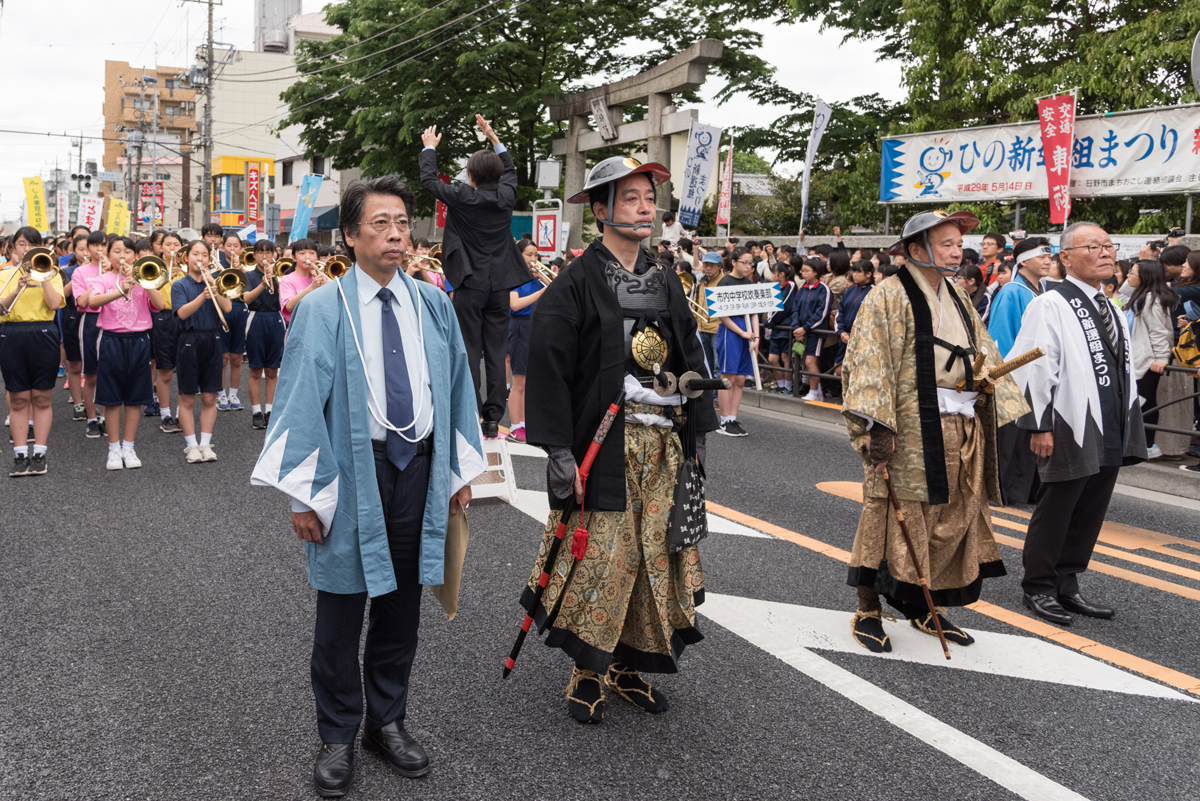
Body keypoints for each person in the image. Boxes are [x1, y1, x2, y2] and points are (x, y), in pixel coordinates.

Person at [250, 176, 484, 797]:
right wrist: (305, 493)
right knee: (340, 608)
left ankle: (387, 720)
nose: (395, 234)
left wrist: (460, 474)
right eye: (379, 223)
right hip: (354, 470)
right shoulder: (323, 308)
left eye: (402, 223)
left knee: (402, 604)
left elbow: (458, 388)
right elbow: (299, 400)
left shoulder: (432, 301)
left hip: (420, 466)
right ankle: (337, 734)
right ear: (350, 236)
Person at [523, 155, 715, 724]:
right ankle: (587, 669)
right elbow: (550, 366)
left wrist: (699, 433)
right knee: (605, 557)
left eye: (649, 198)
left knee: (657, 554)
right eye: (630, 198)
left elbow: (690, 354)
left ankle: (629, 665)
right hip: (605, 445)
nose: (644, 207)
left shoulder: (664, 280)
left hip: (663, 446)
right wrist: (558, 451)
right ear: (601, 211)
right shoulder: (577, 282)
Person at [841, 210, 1027, 652]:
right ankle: (869, 607)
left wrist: (989, 387)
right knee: (890, 513)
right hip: (907, 427)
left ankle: (924, 604)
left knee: (950, 514)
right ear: (915, 249)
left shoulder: (960, 297)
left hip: (959, 426)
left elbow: (985, 349)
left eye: (957, 242)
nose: (956, 250)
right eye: (945, 243)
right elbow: (869, 363)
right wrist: (877, 427)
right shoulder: (887, 296)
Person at [1011, 222, 1147, 626]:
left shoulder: (1112, 307)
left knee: (1091, 506)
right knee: (1058, 503)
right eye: (1094, 246)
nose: (1106, 252)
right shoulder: (1050, 303)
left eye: (1109, 246)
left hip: (1109, 421)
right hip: (1070, 419)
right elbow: (1034, 363)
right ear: (1065, 257)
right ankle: (1038, 585)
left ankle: (1067, 582)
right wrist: (1039, 424)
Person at [419, 114, 530, 438]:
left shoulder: (463, 196)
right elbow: (509, 169)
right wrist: (493, 135)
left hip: (469, 281)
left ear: (470, 176)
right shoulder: (507, 196)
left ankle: (468, 410)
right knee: (496, 350)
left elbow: (428, 181)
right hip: (500, 284)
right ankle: (493, 418)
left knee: (468, 347)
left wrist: (429, 148)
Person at [87, 235, 165, 470]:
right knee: (111, 399)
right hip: (111, 340)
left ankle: (129, 447)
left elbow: (159, 305)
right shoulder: (103, 278)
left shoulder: (146, 277)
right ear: (109, 255)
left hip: (139, 339)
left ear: (136, 255)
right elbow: (93, 302)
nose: (122, 256)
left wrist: (144, 282)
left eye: (127, 252)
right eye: (117, 251)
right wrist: (121, 289)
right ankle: (113, 449)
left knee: (134, 398)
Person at [987, 237, 1053, 504]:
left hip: (1037, 375)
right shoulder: (1011, 291)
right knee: (1011, 440)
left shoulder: (1043, 289)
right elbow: (1000, 339)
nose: (1048, 261)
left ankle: (1025, 491)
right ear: (1023, 261)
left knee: (1030, 439)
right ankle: (1006, 492)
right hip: (1015, 376)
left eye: (1050, 257)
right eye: (1042, 256)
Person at [0, 227, 65, 476]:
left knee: (41, 397)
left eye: (31, 244)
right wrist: (17, 288)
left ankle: (39, 452)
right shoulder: (5, 274)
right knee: (17, 398)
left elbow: (53, 304)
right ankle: (19, 454)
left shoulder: (53, 273)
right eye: (21, 244)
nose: (25, 249)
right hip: (11, 333)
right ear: (13, 247)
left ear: (39, 248)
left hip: (44, 333)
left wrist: (44, 276)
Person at [172, 240, 232, 463]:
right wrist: (202, 296)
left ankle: (206, 444)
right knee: (187, 398)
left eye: (204, 255)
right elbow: (182, 314)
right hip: (189, 339)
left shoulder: (214, 282)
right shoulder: (180, 285)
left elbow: (227, 309)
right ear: (186, 258)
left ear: (210, 259)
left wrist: (214, 287)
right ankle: (191, 445)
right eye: (195, 254)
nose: (200, 259)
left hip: (213, 338)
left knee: (209, 397)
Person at [1126, 259, 1178, 461]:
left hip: (1148, 361)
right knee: (1140, 402)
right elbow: (1125, 287)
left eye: (1133, 272)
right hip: (1140, 359)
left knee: (1145, 402)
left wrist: (1161, 358)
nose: (1129, 275)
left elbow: (1159, 332)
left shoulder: (1150, 299)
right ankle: (1141, 443)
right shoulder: (1141, 295)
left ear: (1145, 277)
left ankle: (1148, 445)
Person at [715, 247, 760, 436]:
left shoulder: (749, 283)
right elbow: (722, 315)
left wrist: (756, 336)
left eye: (751, 263)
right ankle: (724, 420)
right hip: (731, 330)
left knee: (741, 379)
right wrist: (741, 332)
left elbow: (756, 311)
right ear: (734, 262)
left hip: (747, 330)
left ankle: (733, 417)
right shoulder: (724, 282)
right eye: (745, 262)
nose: (749, 266)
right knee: (728, 377)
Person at [242, 240, 285, 430]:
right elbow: (246, 299)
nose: (265, 256)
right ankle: (256, 411)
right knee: (255, 369)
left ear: (274, 255)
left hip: (276, 319)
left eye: (269, 252)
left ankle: (270, 410)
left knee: (272, 370)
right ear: (255, 255)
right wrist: (263, 283)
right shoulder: (249, 276)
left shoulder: (281, 274)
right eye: (261, 252)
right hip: (256, 319)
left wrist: (275, 277)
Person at [506, 241, 547, 443]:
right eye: (529, 254)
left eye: (536, 255)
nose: (533, 259)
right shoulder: (515, 276)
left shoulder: (538, 278)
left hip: (536, 327)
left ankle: (524, 423)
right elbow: (514, 304)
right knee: (519, 381)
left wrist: (545, 283)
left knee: (529, 381)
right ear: (519, 255)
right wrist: (539, 292)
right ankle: (515, 426)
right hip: (520, 326)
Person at [72, 231, 109, 438]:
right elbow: (81, 302)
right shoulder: (81, 272)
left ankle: (105, 417)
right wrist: (99, 279)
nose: (99, 249)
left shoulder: (116, 269)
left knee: (108, 373)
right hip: (90, 321)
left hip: (111, 320)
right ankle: (91, 419)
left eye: (103, 245)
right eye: (94, 245)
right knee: (91, 375)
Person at [153, 232, 185, 434]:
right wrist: (166, 278)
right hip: (163, 317)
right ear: (161, 248)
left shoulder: (188, 268)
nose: (172, 248)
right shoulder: (154, 268)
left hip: (184, 317)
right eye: (168, 244)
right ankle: (165, 414)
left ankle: (182, 413)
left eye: (176, 244)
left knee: (184, 370)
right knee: (165, 369)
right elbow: (149, 291)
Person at [214, 232, 248, 412]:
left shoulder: (245, 266)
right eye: (229, 245)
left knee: (237, 357)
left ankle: (233, 394)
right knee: (223, 357)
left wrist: (241, 270)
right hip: (222, 311)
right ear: (223, 247)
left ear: (241, 248)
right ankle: (220, 395)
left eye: (236, 246)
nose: (232, 249)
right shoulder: (216, 265)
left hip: (240, 310)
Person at [792, 259, 832, 402]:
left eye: (806, 270)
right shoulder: (802, 288)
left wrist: (805, 328)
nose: (803, 273)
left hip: (815, 331)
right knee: (804, 361)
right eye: (802, 271)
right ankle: (817, 391)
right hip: (801, 331)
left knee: (810, 361)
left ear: (816, 272)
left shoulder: (823, 289)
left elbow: (822, 313)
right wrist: (797, 328)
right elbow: (795, 309)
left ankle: (815, 391)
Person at [61, 234, 89, 421]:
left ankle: (93, 401)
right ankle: (78, 404)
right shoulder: (68, 271)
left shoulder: (102, 269)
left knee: (94, 363)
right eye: (81, 249)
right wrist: (80, 273)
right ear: (74, 250)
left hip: (94, 316)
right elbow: (62, 295)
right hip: (73, 315)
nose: (86, 253)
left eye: (89, 248)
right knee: (75, 363)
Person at [764, 257, 799, 395]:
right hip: (775, 327)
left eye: (774, 273)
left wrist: (769, 321)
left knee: (786, 358)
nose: (772, 276)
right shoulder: (775, 287)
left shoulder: (790, 286)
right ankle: (781, 385)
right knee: (772, 358)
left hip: (785, 327)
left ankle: (788, 387)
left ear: (782, 274)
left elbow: (784, 306)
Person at [834, 260, 872, 373]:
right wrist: (841, 331)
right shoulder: (850, 290)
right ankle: (845, 391)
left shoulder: (874, 291)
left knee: (857, 370)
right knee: (838, 368)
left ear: (868, 274)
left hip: (862, 339)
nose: (854, 275)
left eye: (858, 272)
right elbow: (840, 312)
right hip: (845, 337)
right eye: (853, 271)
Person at [279, 239, 326, 325]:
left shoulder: (321, 277)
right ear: (294, 258)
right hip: (298, 326)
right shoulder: (287, 279)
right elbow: (289, 306)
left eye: (312, 253)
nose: (308, 257)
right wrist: (311, 288)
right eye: (302, 253)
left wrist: (325, 283)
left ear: (317, 257)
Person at [691, 251, 723, 375]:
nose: (708, 268)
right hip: (701, 329)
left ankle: (716, 394)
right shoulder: (701, 281)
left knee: (717, 366)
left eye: (712, 265)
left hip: (717, 330)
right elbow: (695, 303)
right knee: (705, 366)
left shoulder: (724, 282)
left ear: (719, 266)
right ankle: (708, 393)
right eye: (706, 265)